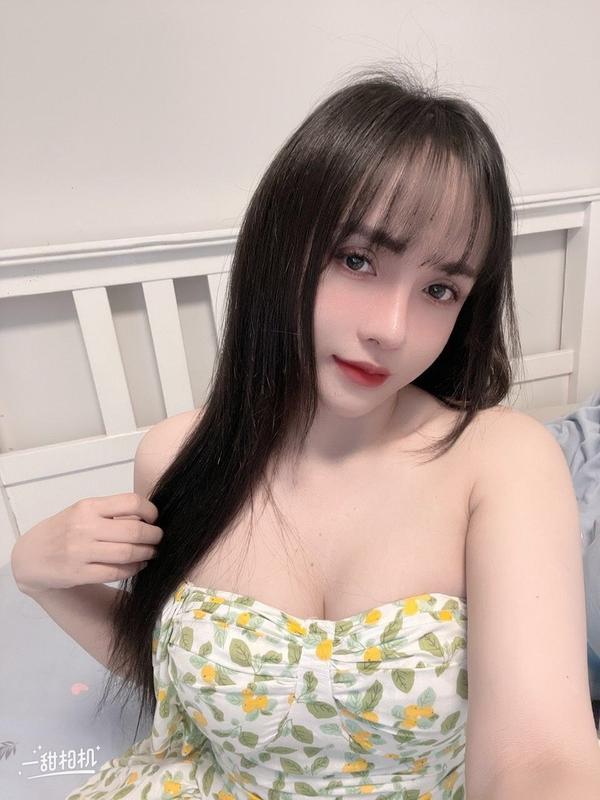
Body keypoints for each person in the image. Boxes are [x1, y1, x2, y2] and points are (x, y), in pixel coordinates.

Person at [10, 64, 600, 799]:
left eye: (439, 289)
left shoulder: (503, 461)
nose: (391, 329)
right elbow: (177, 679)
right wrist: (37, 578)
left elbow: (539, 754)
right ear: (280, 246)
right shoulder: (178, 457)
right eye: (357, 259)